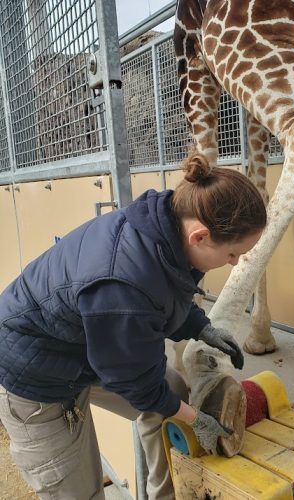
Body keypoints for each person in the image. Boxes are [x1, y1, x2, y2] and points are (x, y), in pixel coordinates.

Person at [0, 153, 267, 500]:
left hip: (86, 348)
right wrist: (196, 419)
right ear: (199, 236)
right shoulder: (123, 284)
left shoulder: (166, 225)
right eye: (233, 254)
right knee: (77, 491)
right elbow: (133, 377)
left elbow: (166, 293)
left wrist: (201, 328)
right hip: (38, 375)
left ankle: (164, 495)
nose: (233, 264)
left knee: (172, 392)